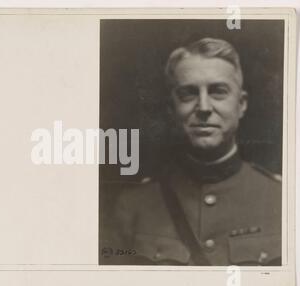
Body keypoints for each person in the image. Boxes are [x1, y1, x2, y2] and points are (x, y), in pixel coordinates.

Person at [101, 38, 282, 266]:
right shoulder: (133, 207)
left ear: (242, 104)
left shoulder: (282, 199)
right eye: (188, 93)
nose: (204, 108)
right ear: (171, 108)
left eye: (218, 92)